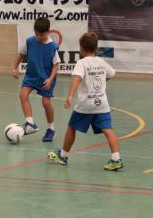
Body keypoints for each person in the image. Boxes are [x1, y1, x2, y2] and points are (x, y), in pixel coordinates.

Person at [47, 32, 123, 171]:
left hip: (86, 104)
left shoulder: (82, 63)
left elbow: (77, 78)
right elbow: (111, 74)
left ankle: (63, 156)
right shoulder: (101, 61)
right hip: (102, 103)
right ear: (95, 48)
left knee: (72, 127)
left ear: (81, 48)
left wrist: (69, 95)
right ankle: (116, 158)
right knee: (108, 130)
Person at [12, 17, 60, 142]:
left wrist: (50, 79)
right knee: (23, 94)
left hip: (46, 78)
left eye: (41, 34)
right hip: (31, 76)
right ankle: (30, 123)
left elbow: (56, 65)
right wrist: (14, 68)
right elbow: (21, 54)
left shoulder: (52, 47)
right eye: (36, 34)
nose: (38, 37)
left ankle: (51, 129)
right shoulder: (29, 41)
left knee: (46, 102)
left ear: (48, 32)